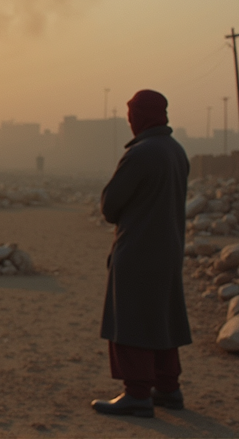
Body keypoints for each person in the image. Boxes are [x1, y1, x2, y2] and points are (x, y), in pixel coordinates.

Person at [91, 89, 191, 418]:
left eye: (132, 115)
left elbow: (111, 205)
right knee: (162, 318)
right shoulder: (176, 151)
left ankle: (136, 393)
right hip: (169, 249)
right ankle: (167, 388)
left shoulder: (141, 153)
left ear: (141, 117)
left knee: (131, 320)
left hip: (137, 251)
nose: (130, 121)